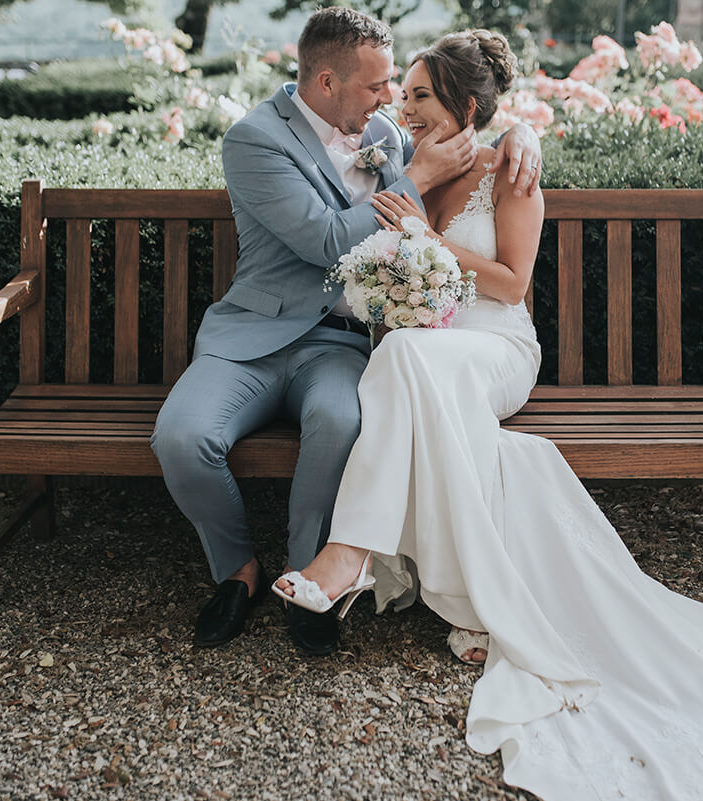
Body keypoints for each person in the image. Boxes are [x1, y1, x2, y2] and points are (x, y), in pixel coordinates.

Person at [273, 29, 703, 801]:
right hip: (432, 356)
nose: (404, 107)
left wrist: (432, 236)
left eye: (421, 96)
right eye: (402, 95)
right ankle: (462, 599)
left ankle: (353, 553)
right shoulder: (407, 163)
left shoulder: (509, 168)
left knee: (400, 365)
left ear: (466, 105)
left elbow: (508, 284)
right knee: (403, 364)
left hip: (495, 351)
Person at [150, 7, 543, 657]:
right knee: (182, 437)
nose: (391, 98)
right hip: (253, 335)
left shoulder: (386, 130)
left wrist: (525, 131)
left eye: (397, 86)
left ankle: (316, 577)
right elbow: (328, 241)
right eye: (378, 85)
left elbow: (470, 131)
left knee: (340, 422)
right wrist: (415, 183)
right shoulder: (254, 140)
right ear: (326, 82)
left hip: (340, 344)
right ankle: (238, 571)